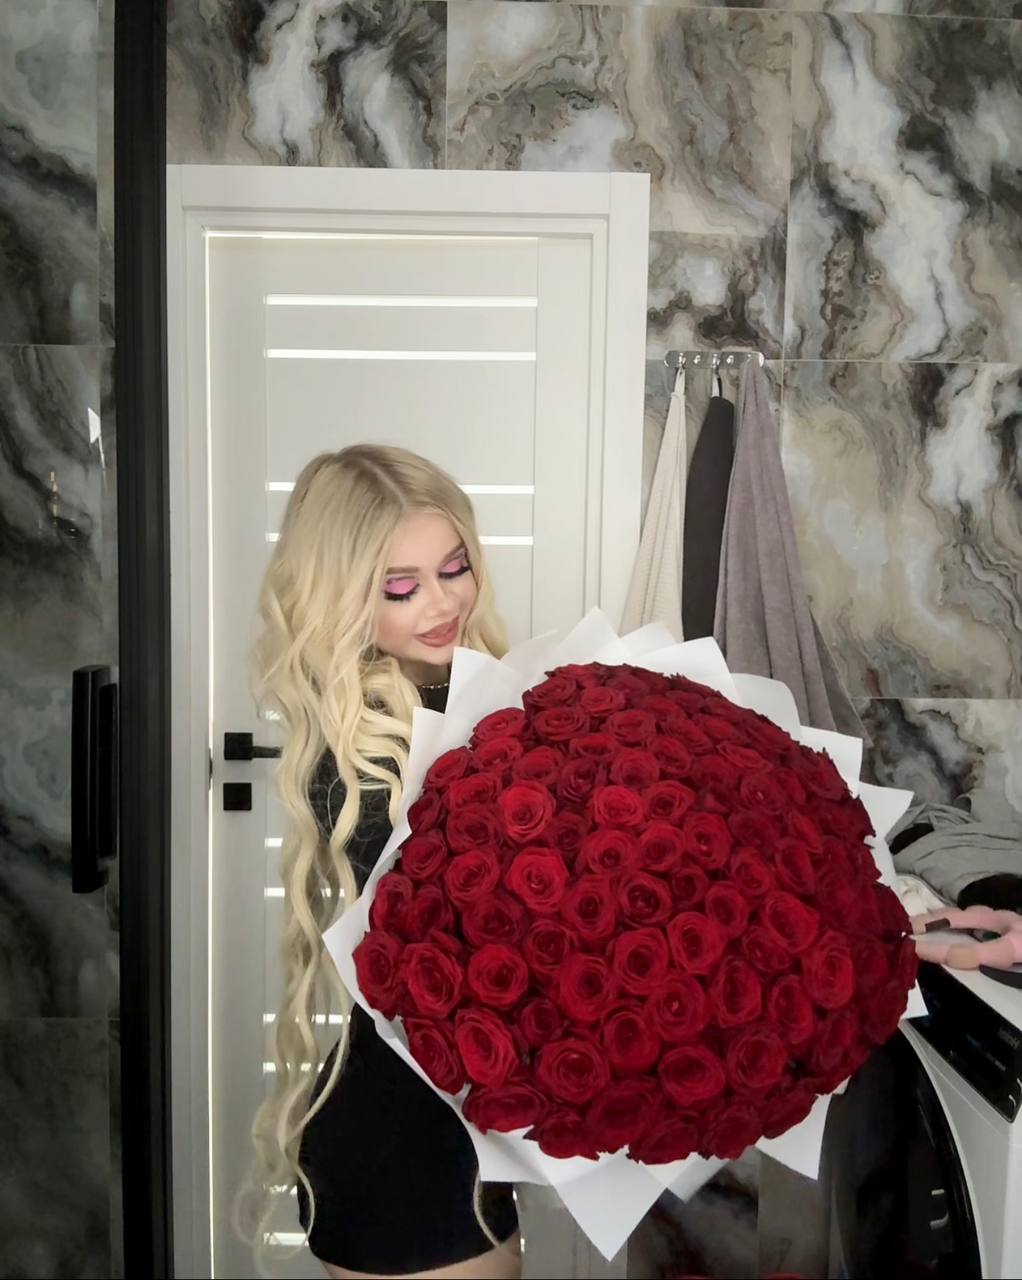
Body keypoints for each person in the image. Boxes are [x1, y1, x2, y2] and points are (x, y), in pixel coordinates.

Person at [244, 445, 521, 1279]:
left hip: (454, 1132)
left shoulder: (463, 693)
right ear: (339, 598)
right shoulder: (356, 758)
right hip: (398, 1149)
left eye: (454, 568)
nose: (442, 602)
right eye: (400, 588)